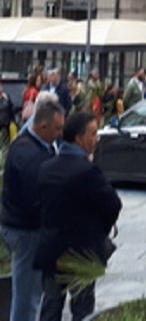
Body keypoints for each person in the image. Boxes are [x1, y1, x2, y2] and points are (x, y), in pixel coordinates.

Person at [36, 110, 122, 321]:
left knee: (50, 306)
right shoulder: (87, 171)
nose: (97, 138)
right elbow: (113, 204)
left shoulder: (46, 168)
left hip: (52, 249)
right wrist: (100, 229)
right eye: (93, 134)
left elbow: (39, 206)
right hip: (82, 252)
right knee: (83, 310)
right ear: (79, 138)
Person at [2, 99, 65, 321]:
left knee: (28, 294)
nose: (60, 134)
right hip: (26, 231)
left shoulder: (30, 146)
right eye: (57, 129)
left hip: (17, 227)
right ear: (43, 126)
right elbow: (35, 203)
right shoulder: (31, 157)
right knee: (27, 298)